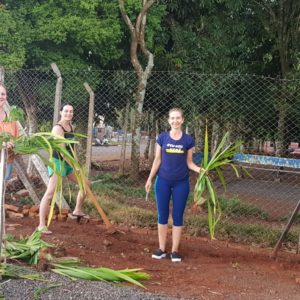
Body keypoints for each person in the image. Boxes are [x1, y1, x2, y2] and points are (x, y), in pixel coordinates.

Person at [145, 108, 204, 262]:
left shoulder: (188, 140)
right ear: (168, 120)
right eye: (172, 118)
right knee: (162, 215)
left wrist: (200, 170)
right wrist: (150, 179)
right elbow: (157, 160)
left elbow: (189, 163)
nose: (175, 121)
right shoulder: (162, 138)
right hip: (162, 181)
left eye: (178, 118)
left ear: (182, 120)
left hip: (181, 183)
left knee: (177, 215)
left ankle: (175, 251)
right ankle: (161, 249)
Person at [38, 104, 89, 234]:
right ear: (61, 112)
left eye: (71, 111)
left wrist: (77, 163)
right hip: (57, 162)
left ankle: (77, 209)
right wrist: (74, 166)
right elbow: (62, 152)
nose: (68, 113)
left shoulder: (71, 126)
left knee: (86, 183)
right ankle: (41, 225)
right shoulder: (58, 128)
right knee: (50, 193)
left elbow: (72, 149)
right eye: (66, 111)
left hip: (69, 163)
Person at [0, 83, 19, 181]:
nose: (0, 96)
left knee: (2, 190)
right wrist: (2, 143)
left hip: (7, 162)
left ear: (6, 97)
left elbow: (17, 138)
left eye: (3, 94)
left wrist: (14, 144)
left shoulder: (12, 119)